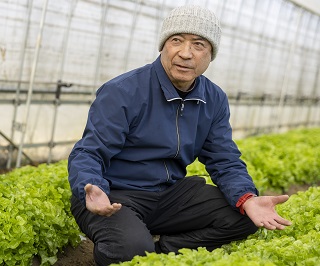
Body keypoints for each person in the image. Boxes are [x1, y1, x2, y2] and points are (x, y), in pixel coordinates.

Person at [68, 5, 292, 266]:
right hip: (114, 196)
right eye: (177, 41)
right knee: (130, 251)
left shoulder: (214, 98)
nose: (186, 54)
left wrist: (248, 198)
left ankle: (163, 252)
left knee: (244, 215)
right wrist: (92, 186)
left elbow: (224, 159)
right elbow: (89, 151)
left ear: (211, 55)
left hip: (169, 195)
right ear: (163, 45)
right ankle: (131, 246)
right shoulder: (124, 91)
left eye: (198, 45)